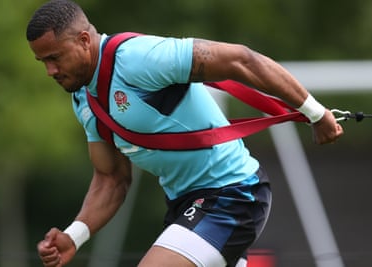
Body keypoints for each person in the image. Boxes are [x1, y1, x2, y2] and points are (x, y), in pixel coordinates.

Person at [26, 0, 344, 266]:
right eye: (43, 62)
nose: (50, 71)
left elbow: (240, 60)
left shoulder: (138, 58)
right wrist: (74, 236)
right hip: (185, 206)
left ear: (84, 40)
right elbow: (112, 179)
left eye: (55, 58)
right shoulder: (83, 98)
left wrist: (316, 114)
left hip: (232, 194)